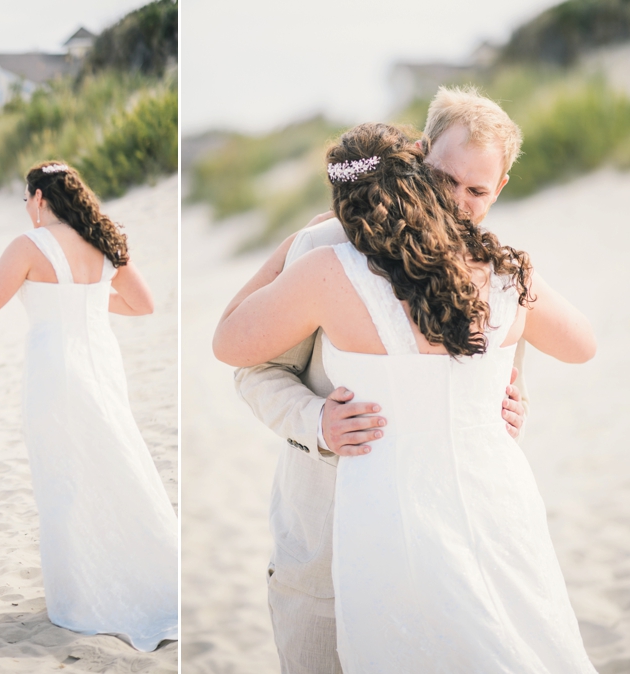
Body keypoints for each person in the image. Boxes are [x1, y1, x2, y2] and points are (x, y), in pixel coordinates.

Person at [214, 122, 597, 671]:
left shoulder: (493, 265)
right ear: (420, 158)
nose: (459, 203)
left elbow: (487, 360)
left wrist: (514, 390)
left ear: (499, 188)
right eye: (446, 180)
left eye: (477, 191)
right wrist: (316, 420)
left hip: (471, 527)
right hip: (331, 521)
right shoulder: (322, 250)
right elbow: (251, 364)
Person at [0, 161, 178, 651]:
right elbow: (143, 304)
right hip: (103, 370)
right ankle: (149, 576)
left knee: (65, 481)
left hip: (55, 374)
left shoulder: (29, 246)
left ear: (37, 198)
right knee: (119, 467)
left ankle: (82, 597)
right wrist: (89, 296)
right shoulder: (102, 236)